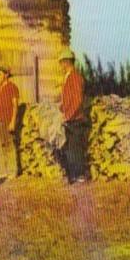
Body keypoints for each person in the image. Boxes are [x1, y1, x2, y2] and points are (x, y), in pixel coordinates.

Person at [58, 49, 89, 184]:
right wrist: (61, 109)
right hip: (69, 118)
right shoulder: (68, 77)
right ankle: (74, 176)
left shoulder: (75, 77)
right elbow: (68, 99)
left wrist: (69, 116)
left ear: (66, 62)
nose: (60, 66)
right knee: (70, 148)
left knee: (75, 147)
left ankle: (80, 176)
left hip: (75, 119)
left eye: (61, 63)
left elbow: (77, 100)